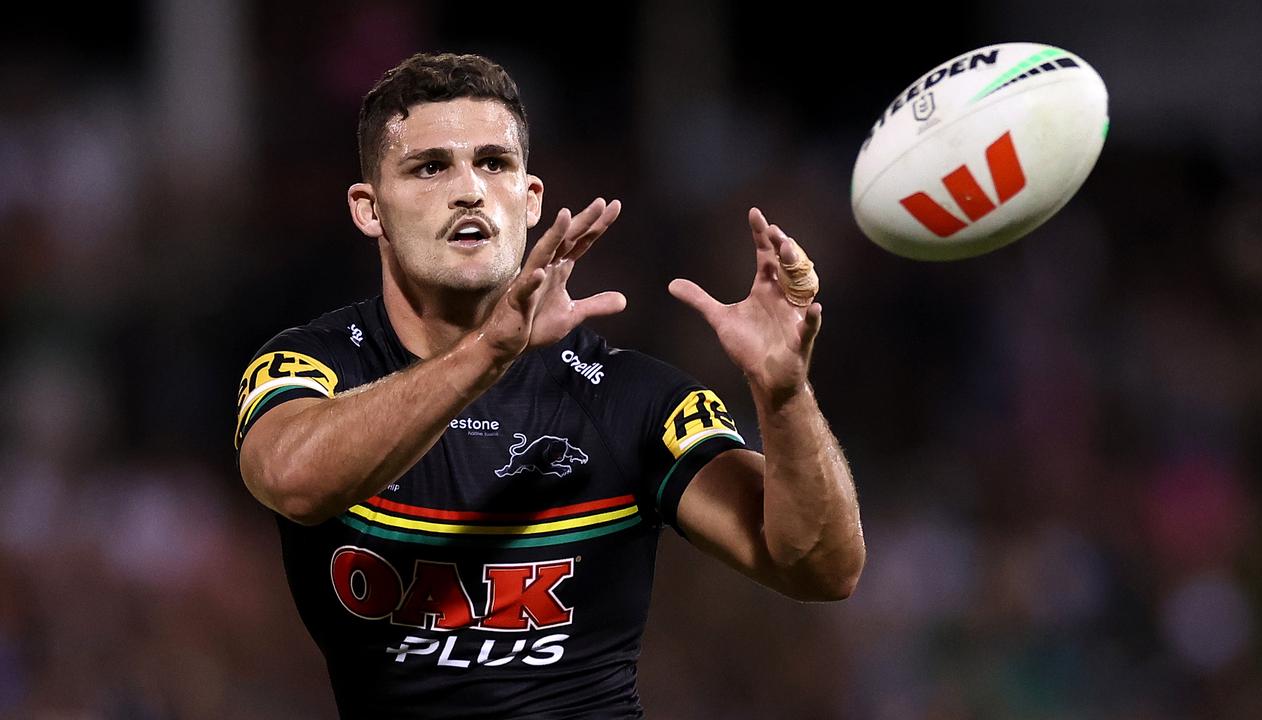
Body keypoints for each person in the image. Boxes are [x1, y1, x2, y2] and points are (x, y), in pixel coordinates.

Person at [234, 51, 865, 719]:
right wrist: (490, 352)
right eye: (430, 167)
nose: (469, 189)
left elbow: (824, 569)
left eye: (494, 163)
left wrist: (785, 395)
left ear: (530, 199)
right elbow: (296, 480)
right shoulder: (315, 365)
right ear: (369, 209)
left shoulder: (628, 399)